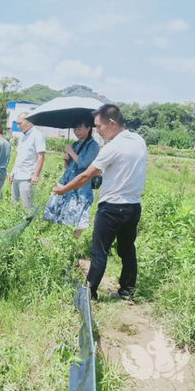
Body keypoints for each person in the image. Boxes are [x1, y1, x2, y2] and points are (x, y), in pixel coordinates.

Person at [52, 104, 147, 301]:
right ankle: (127, 291)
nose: (97, 130)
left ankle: (90, 293)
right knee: (127, 249)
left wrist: (62, 189)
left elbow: (87, 175)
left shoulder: (113, 147)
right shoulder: (139, 140)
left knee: (98, 251)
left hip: (112, 207)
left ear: (112, 123)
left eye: (98, 126)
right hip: (133, 206)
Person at [43, 114, 100, 237]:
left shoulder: (93, 145)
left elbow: (84, 164)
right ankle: (62, 238)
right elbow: (68, 168)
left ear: (88, 128)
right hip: (67, 183)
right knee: (63, 210)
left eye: (79, 129)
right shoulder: (75, 144)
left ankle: (75, 241)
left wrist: (71, 152)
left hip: (81, 187)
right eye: (75, 129)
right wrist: (66, 159)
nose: (76, 132)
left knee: (78, 214)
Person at [8, 113, 46, 211]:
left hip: (27, 176)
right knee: (14, 204)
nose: (18, 126)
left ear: (29, 122)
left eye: (20, 123)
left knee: (27, 206)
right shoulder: (22, 136)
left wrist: (36, 174)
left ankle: (27, 224)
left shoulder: (37, 135)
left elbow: (40, 156)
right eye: (17, 123)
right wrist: (12, 171)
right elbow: (18, 156)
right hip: (17, 175)